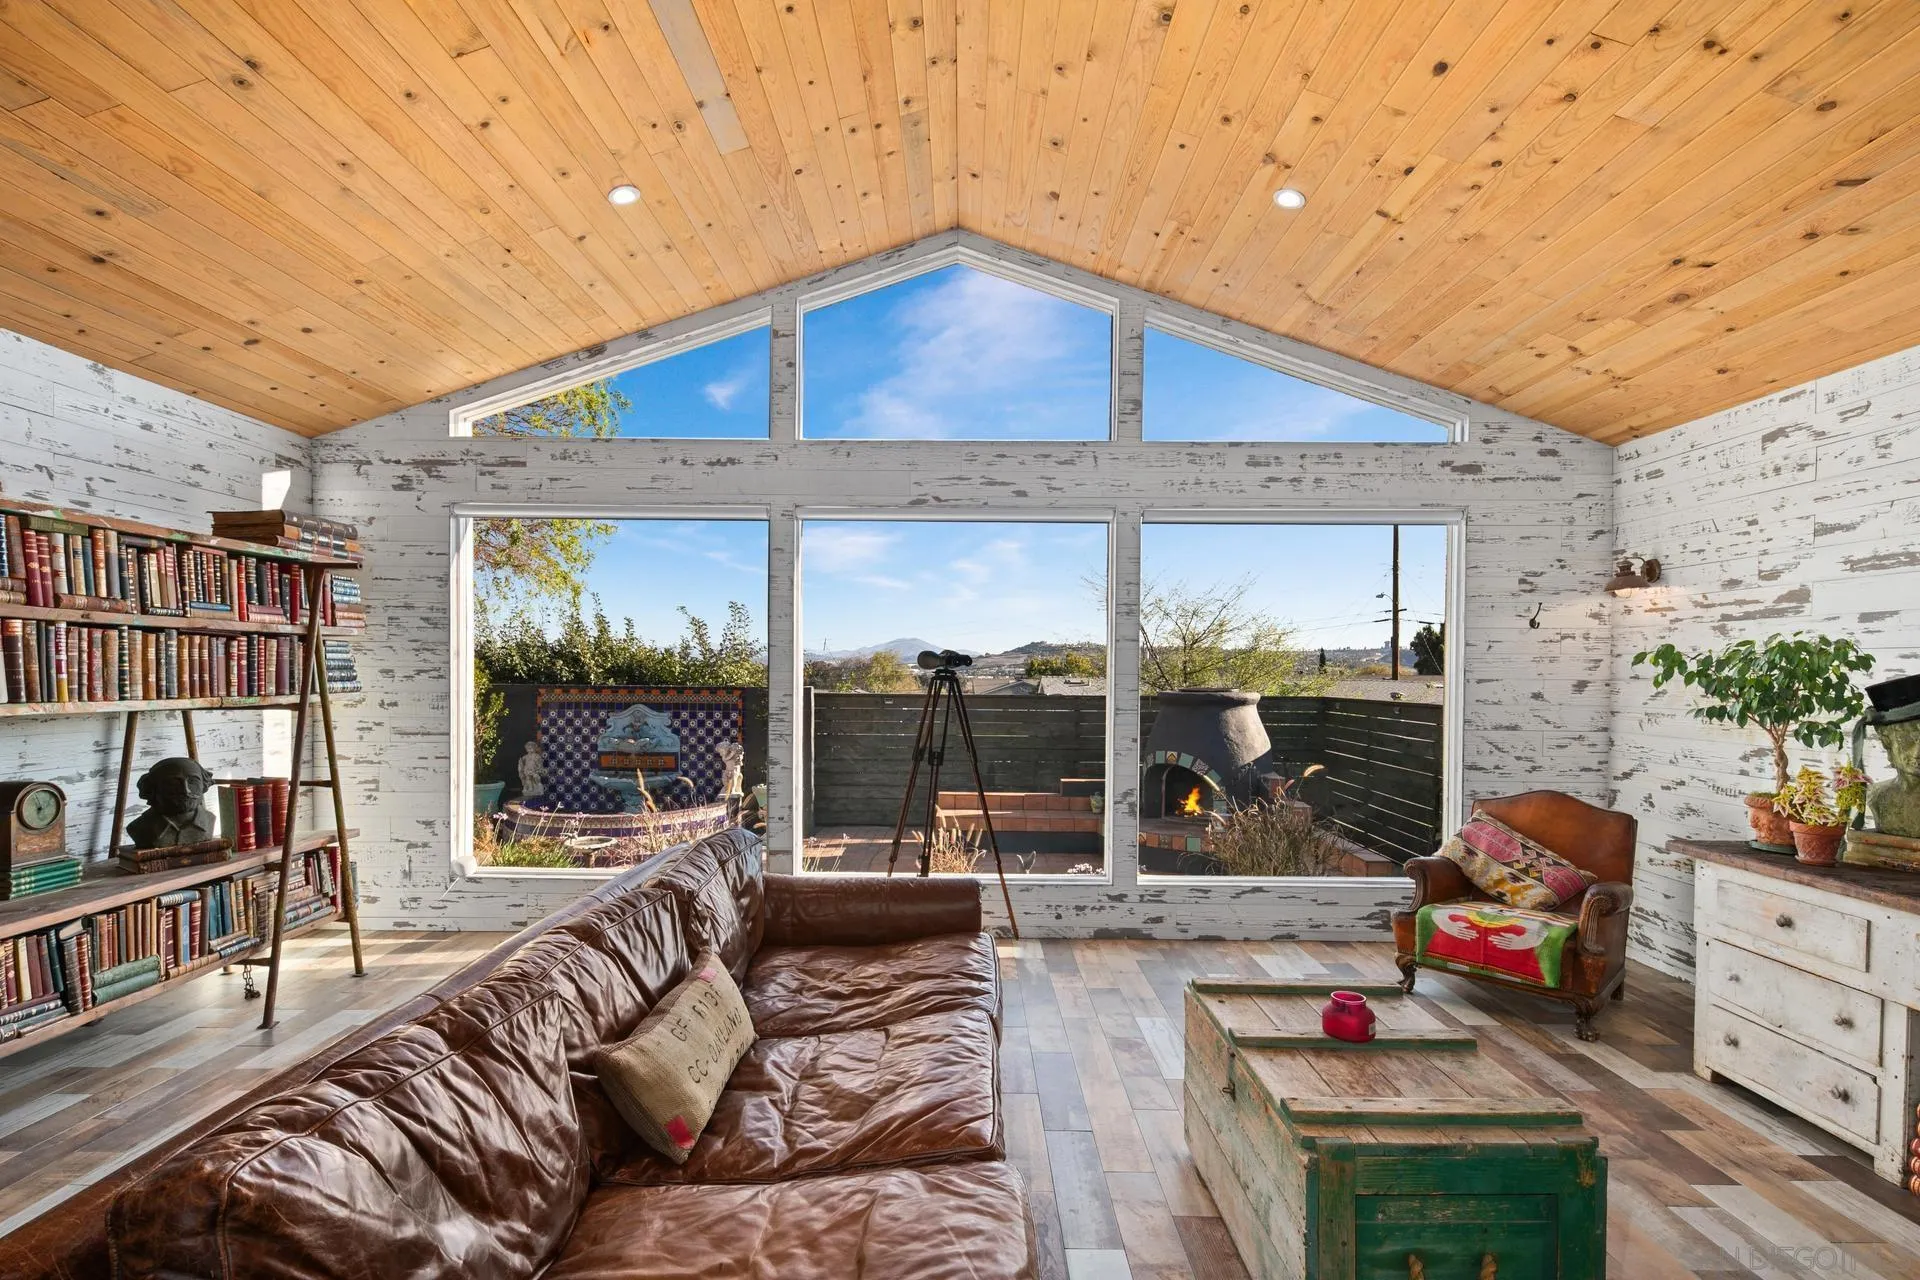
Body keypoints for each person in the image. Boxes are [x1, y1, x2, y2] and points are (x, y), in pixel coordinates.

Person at [127, 757, 218, 850]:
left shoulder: (209, 820)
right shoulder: (140, 828)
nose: (186, 790)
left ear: (204, 785)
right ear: (153, 789)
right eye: (173, 783)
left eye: (192, 782)